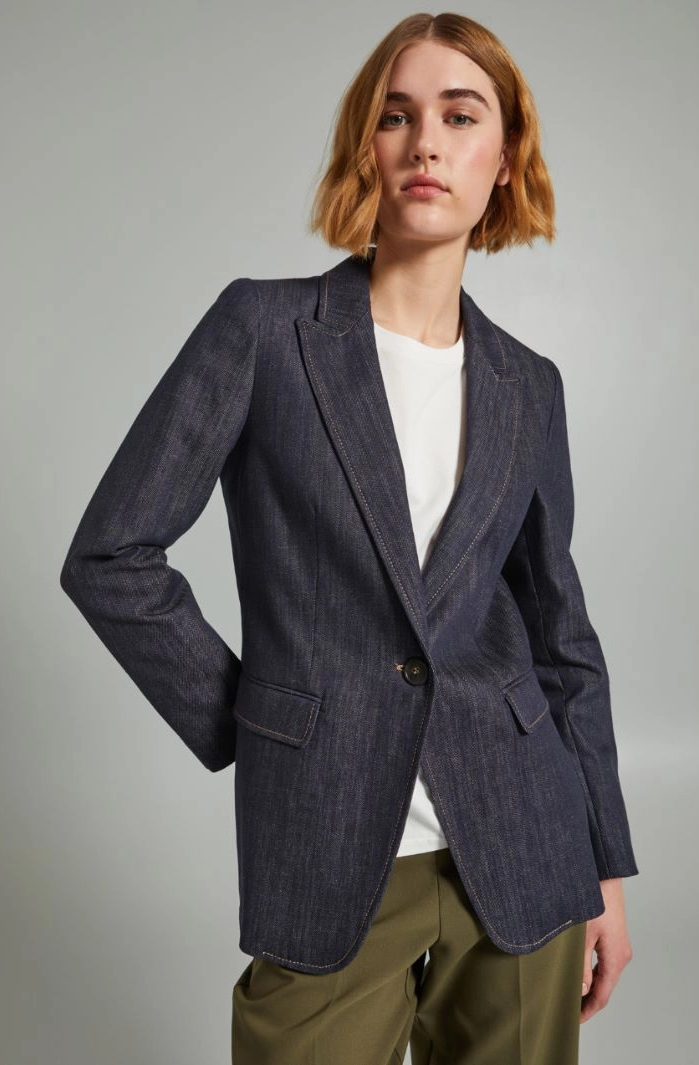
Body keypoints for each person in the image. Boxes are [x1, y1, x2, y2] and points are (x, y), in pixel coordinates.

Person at [60, 11, 638, 1064]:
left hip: (524, 837)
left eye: (459, 116)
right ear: (365, 147)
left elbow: (561, 635)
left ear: (504, 159)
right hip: (327, 835)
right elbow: (111, 554)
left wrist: (603, 862)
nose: (426, 143)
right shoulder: (263, 331)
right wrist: (255, 719)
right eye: (396, 115)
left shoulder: (528, 386)